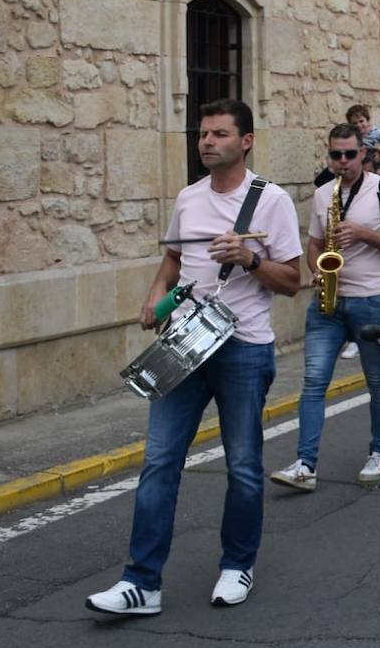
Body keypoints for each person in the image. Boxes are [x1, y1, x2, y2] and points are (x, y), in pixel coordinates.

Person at [87, 100, 302, 616]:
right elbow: (174, 261)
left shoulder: (271, 201)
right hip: (183, 344)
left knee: (245, 467)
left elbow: (294, 281)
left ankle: (237, 565)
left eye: (220, 134)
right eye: (203, 133)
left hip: (243, 348)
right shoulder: (188, 197)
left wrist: (250, 259)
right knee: (159, 462)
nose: (207, 141)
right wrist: (153, 295)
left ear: (246, 141)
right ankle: (141, 583)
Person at [270, 123, 380, 493]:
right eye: (336, 155)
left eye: (351, 154)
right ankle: (305, 464)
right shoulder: (323, 195)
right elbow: (314, 243)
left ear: (364, 154)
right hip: (328, 303)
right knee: (314, 382)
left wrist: (364, 234)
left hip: (372, 299)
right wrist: (317, 268)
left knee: (377, 380)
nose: (343, 161)